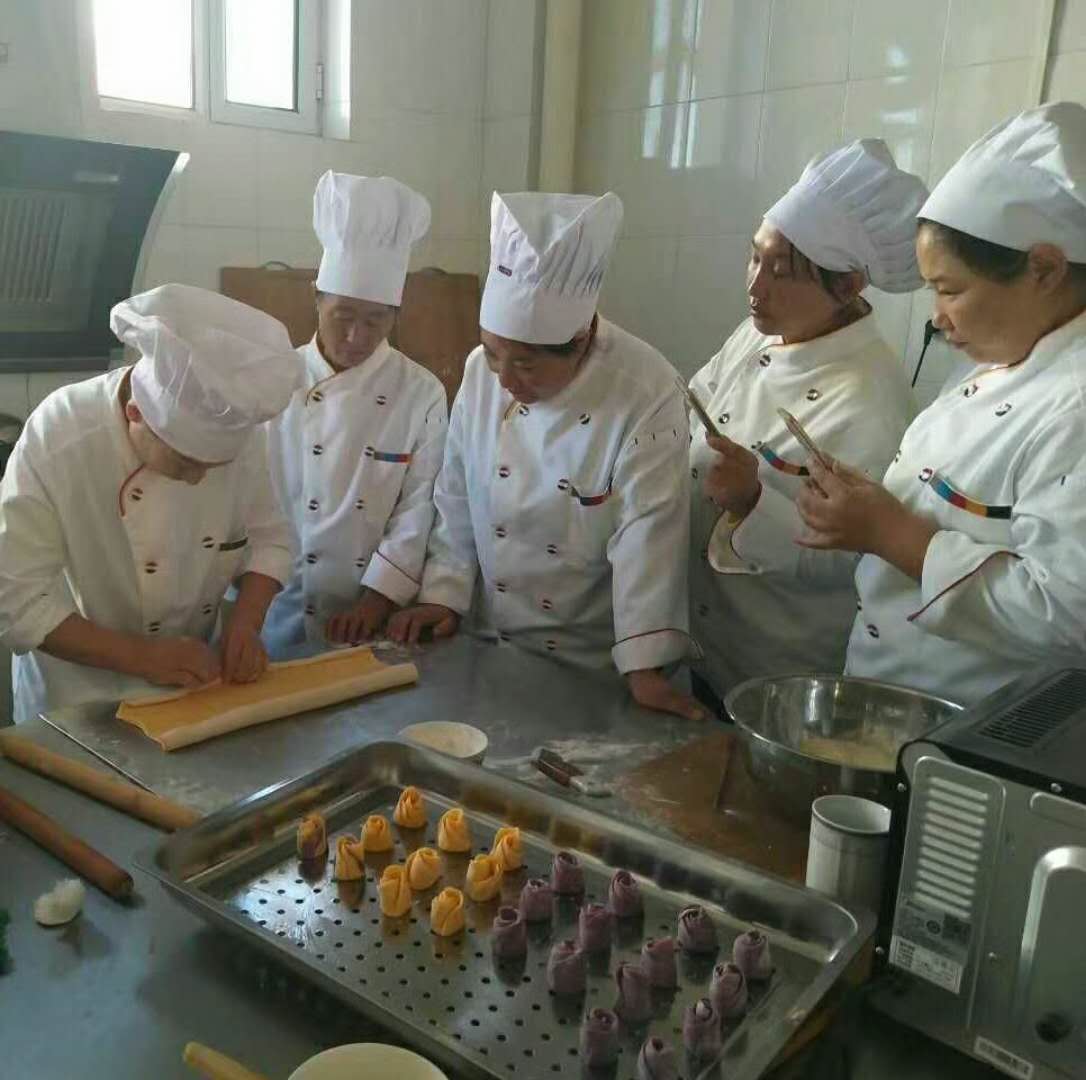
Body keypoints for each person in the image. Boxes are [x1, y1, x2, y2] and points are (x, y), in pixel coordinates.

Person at [743, 103, 1086, 706]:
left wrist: (892, 533)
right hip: (892, 700)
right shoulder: (997, 358)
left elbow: (1067, 613)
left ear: (1044, 269)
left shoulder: (1075, 403)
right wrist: (867, 506)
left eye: (950, 290)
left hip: (969, 729)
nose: (938, 319)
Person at [389, 191, 702, 720]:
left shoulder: (644, 391)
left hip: (590, 665)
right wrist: (443, 592)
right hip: (487, 643)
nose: (505, 381)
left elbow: (650, 534)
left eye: (527, 366)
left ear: (579, 341)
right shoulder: (480, 373)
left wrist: (645, 666)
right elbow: (457, 494)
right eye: (493, 353)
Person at [690, 140, 925, 708]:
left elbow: (851, 558)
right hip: (699, 639)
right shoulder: (758, 334)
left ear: (847, 285)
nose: (755, 286)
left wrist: (753, 502)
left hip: (776, 668)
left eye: (780, 272)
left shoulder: (871, 399)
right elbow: (692, 406)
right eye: (754, 258)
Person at [0, 284, 300, 723]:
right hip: (76, 697)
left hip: (195, 686)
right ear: (135, 414)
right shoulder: (61, 435)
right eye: (185, 462)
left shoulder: (237, 429)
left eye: (214, 466)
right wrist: (143, 657)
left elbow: (268, 541)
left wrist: (245, 624)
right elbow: (16, 600)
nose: (198, 479)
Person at [262, 171, 445, 655]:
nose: (356, 336)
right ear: (316, 297)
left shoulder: (420, 391)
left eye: (375, 320)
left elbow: (420, 504)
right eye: (343, 316)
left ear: (395, 316)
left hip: (369, 618)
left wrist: (376, 599)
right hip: (272, 605)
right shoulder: (273, 378)